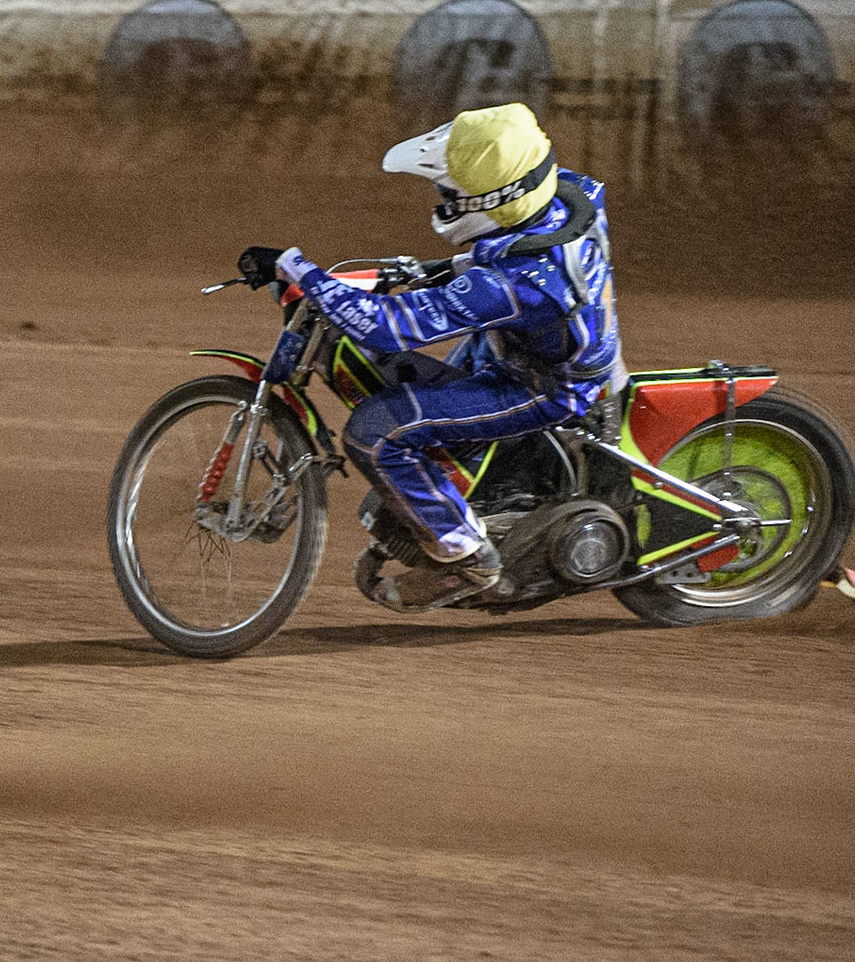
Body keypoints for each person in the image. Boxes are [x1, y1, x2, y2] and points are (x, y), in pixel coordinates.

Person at [237, 102, 627, 611]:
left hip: (545, 387)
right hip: (537, 345)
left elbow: (386, 328)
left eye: (450, 193)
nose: (442, 200)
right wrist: (436, 270)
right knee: (410, 386)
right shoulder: (567, 193)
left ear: (489, 200)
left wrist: (297, 268)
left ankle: (466, 555)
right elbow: (500, 251)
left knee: (376, 432)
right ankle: (456, 492)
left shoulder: (514, 284)